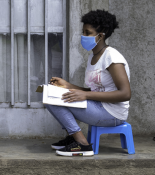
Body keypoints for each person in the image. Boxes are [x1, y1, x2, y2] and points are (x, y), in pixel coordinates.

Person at [47, 10, 131, 156]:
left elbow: (125, 93)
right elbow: (95, 90)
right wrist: (67, 85)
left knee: (52, 100)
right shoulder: (93, 57)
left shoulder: (111, 57)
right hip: (99, 106)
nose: (83, 36)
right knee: (53, 93)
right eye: (83, 32)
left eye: (88, 32)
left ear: (101, 34)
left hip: (113, 113)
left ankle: (82, 144)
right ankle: (73, 138)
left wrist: (85, 96)